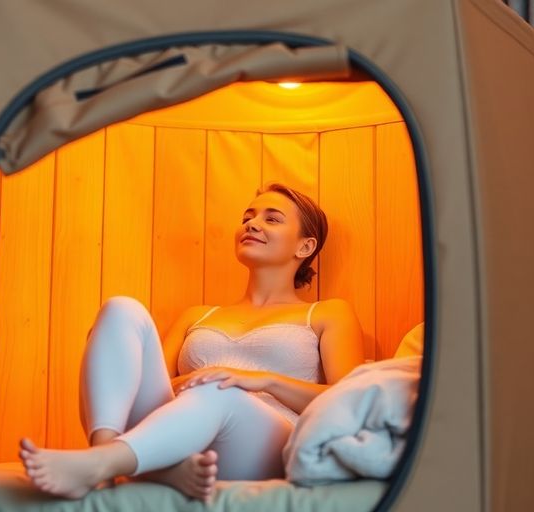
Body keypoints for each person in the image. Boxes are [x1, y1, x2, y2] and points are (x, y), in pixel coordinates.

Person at [19, 182, 365, 502]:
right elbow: (150, 387)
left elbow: (347, 403)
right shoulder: (197, 315)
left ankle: (110, 463)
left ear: (305, 246)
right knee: (121, 309)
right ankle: (107, 456)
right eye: (248, 217)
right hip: (180, 430)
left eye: (271, 219)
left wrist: (263, 381)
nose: (252, 224)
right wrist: (197, 380)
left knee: (219, 389)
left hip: (264, 442)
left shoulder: (328, 313)